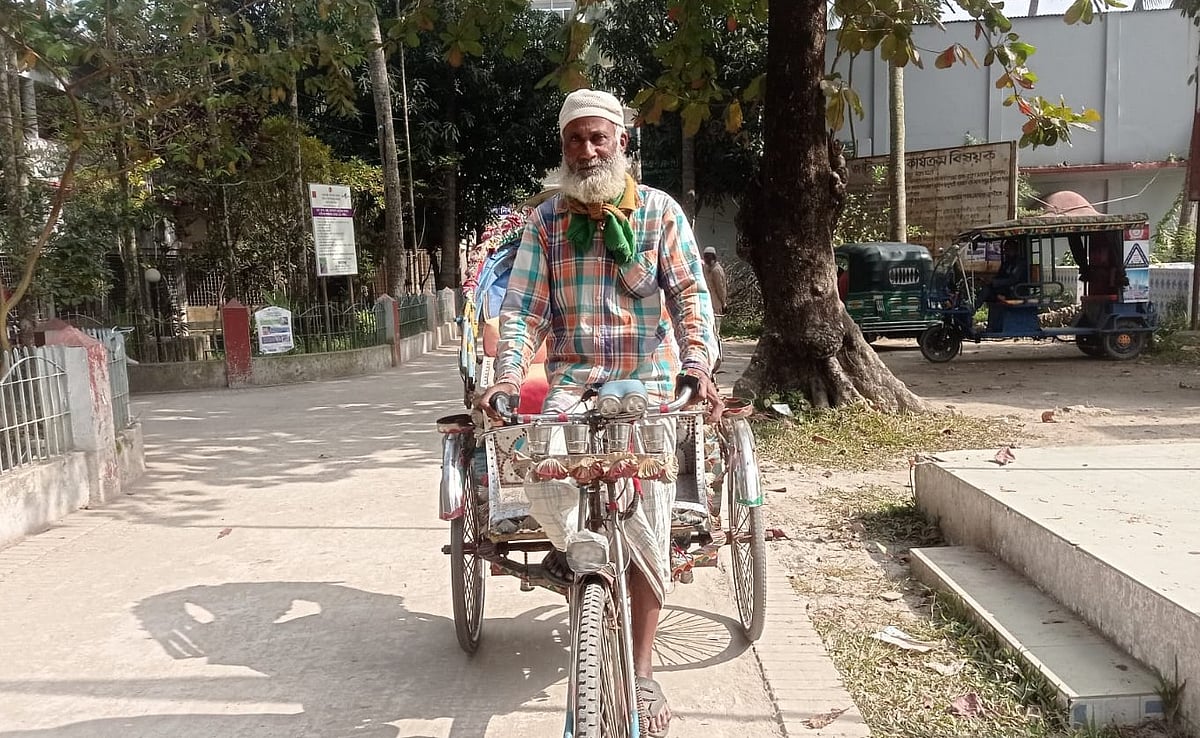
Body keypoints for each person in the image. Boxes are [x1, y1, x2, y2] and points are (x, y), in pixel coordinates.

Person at [476, 88, 721, 738]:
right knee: (539, 461)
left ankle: (642, 668)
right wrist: (507, 378)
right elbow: (523, 310)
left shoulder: (660, 213)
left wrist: (698, 364)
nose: (586, 150)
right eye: (574, 139)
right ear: (564, 148)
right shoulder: (546, 221)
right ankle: (575, 548)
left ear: (621, 143)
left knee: (649, 517)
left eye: (597, 137)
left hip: (649, 381)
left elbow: (690, 297)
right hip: (575, 381)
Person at [701, 246, 728, 371]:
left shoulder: (716, 270)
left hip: (716, 306)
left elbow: (720, 289)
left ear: (713, 257)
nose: (706, 259)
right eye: (705, 256)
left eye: (708, 257)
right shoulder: (707, 269)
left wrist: (724, 304)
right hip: (708, 305)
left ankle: (719, 356)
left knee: (715, 333)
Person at [978, 238, 1026, 305]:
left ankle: (974, 307)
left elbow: (1013, 280)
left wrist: (994, 282)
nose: (1006, 252)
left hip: (1015, 290)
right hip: (1005, 288)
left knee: (987, 289)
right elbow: (1000, 275)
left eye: (1008, 250)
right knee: (986, 288)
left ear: (1015, 250)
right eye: (1005, 250)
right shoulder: (1007, 263)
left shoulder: (1020, 263)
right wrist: (989, 280)